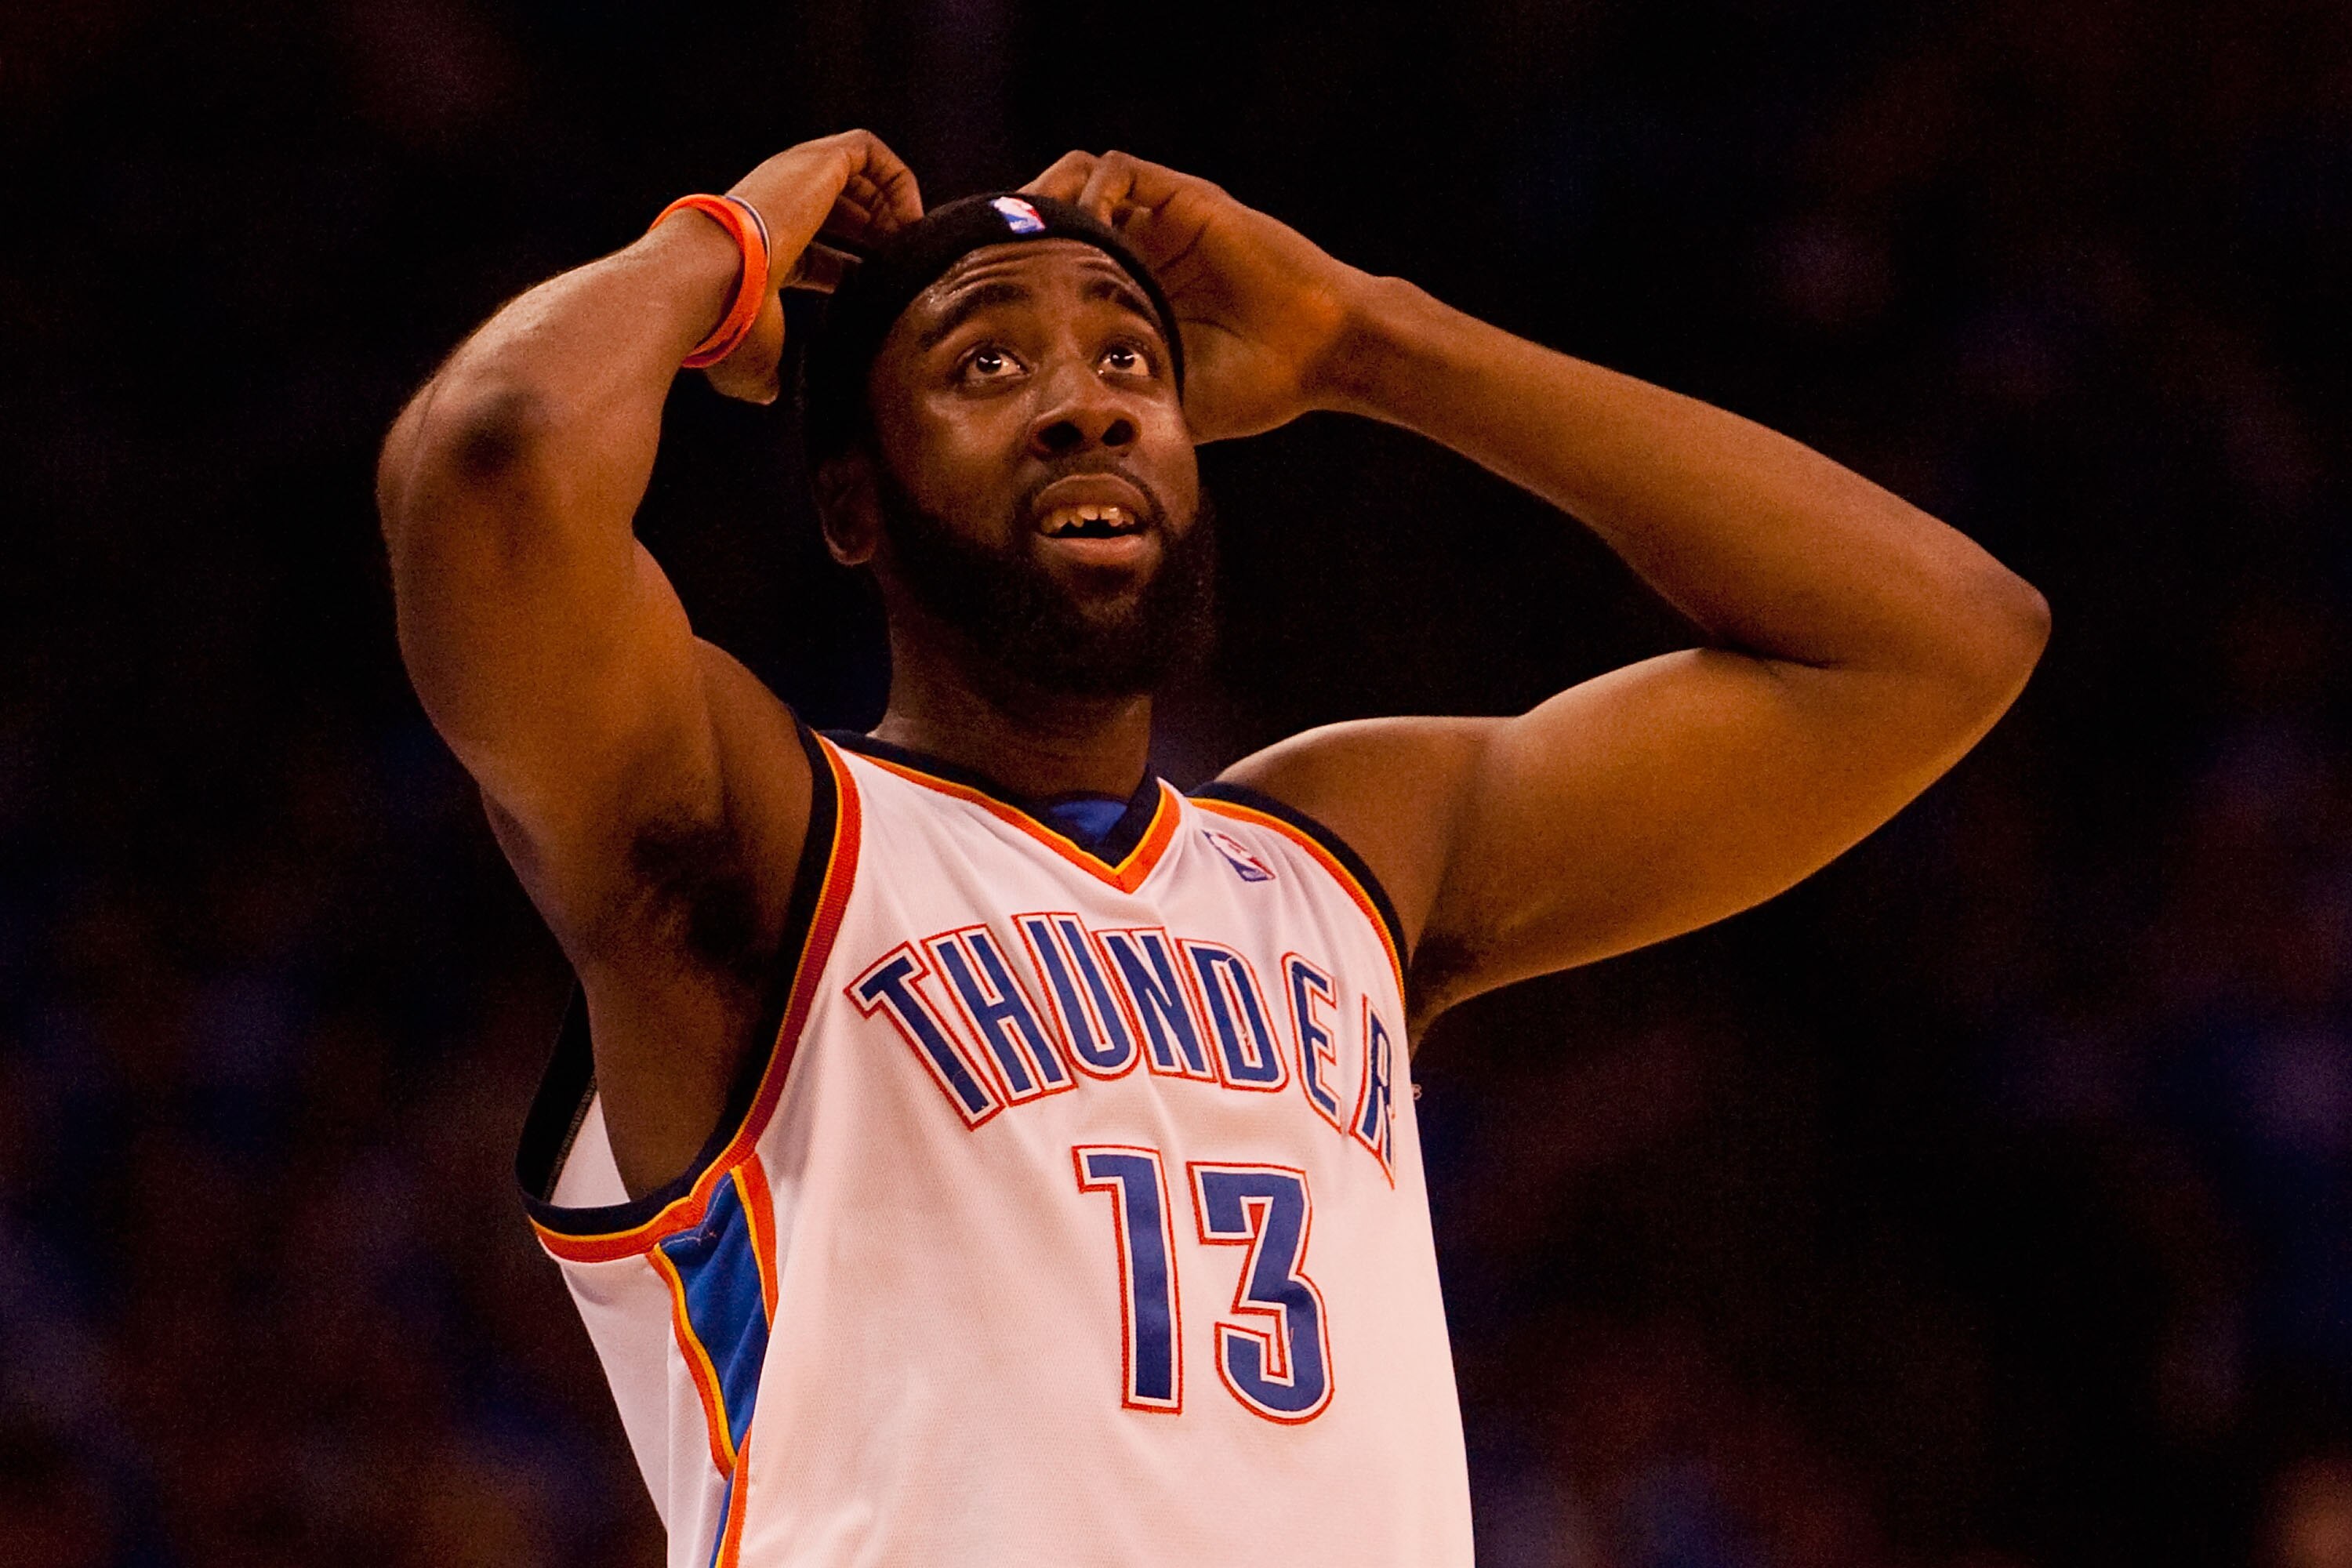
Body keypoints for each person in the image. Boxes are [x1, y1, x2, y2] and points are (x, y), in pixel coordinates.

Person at [375, 129, 2047, 1566]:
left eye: (1131, 362)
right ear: (851, 504)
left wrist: (1369, 340)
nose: (1083, 409)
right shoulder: (762, 844)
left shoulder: (1348, 855)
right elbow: (492, 458)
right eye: (985, 366)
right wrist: (724, 241)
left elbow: (1939, 640)